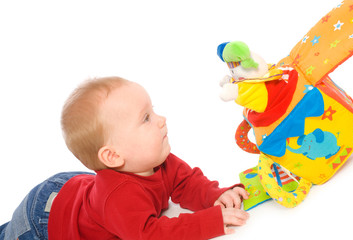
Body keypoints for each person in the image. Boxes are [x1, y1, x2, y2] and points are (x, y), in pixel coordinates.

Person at [0, 77, 250, 240]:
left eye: (152, 111)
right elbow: (149, 235)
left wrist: (213, 195)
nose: (161, 119)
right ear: (113, 155)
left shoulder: (154, 160)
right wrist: (208, 222)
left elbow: (185, 182)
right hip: (42, 220)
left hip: (72, 188)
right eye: (146, 118)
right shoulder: (119, 197)